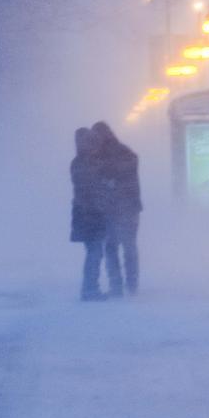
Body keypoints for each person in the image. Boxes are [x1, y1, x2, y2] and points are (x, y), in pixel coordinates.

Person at [91, 121, 142, 297]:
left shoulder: (101, 156)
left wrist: (107, 182)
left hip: (114, 208)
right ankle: (131, 285)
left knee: (111, 247)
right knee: (129, 247)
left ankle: (116, 285)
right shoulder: (126, 152)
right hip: (129, 207)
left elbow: (104, 179)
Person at [70, 128, 107, 301]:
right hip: (90, 214)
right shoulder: (85, 163)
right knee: (94, 252)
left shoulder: (79, 162)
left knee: (94, 252)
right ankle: (90, 289)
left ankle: (90, 288)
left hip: (86, 214)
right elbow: (90, 189)